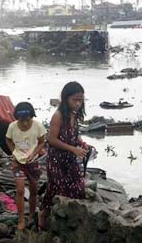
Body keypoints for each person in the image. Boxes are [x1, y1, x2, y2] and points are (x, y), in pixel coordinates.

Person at [39, 81, 89, 229]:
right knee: (56, 188)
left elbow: (73, 134)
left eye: (81, 100)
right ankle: (43, 215)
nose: (78, 103)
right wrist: (73, 149)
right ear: (66, 98)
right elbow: (51, 139)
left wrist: (81, 143)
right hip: (56, 160)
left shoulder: (74, 114)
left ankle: (68, 219)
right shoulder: (58, 115)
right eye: (75, 100)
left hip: (70, 159)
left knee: (78, 187)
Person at [6, 102, 46, 230]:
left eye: (27, 120)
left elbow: (41, 141)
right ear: (17, 118)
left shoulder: (38, 126)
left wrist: (34, 153)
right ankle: (22, 219)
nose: (24, 123)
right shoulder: (12, 127)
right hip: (18, 163)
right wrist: (13, 151)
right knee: (20, 190)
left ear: (32, 117)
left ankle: (32, 215)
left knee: (34, 191)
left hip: (33, 162)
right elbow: (8, 140)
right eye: (21, 121)